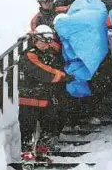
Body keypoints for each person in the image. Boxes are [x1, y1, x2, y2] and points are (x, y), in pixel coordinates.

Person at [18, 25, 74, 154]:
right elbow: (43, 73)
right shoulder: (29, 55)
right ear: (35, 39)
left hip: (45, 97)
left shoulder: (49, 54)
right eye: (43, 41)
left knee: (49, 125)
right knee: (28, 129)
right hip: (29, 98)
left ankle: (42, 151)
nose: (46, 45)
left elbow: (57, 66)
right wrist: (63, 76)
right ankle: (26, 155)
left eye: (49, 42)